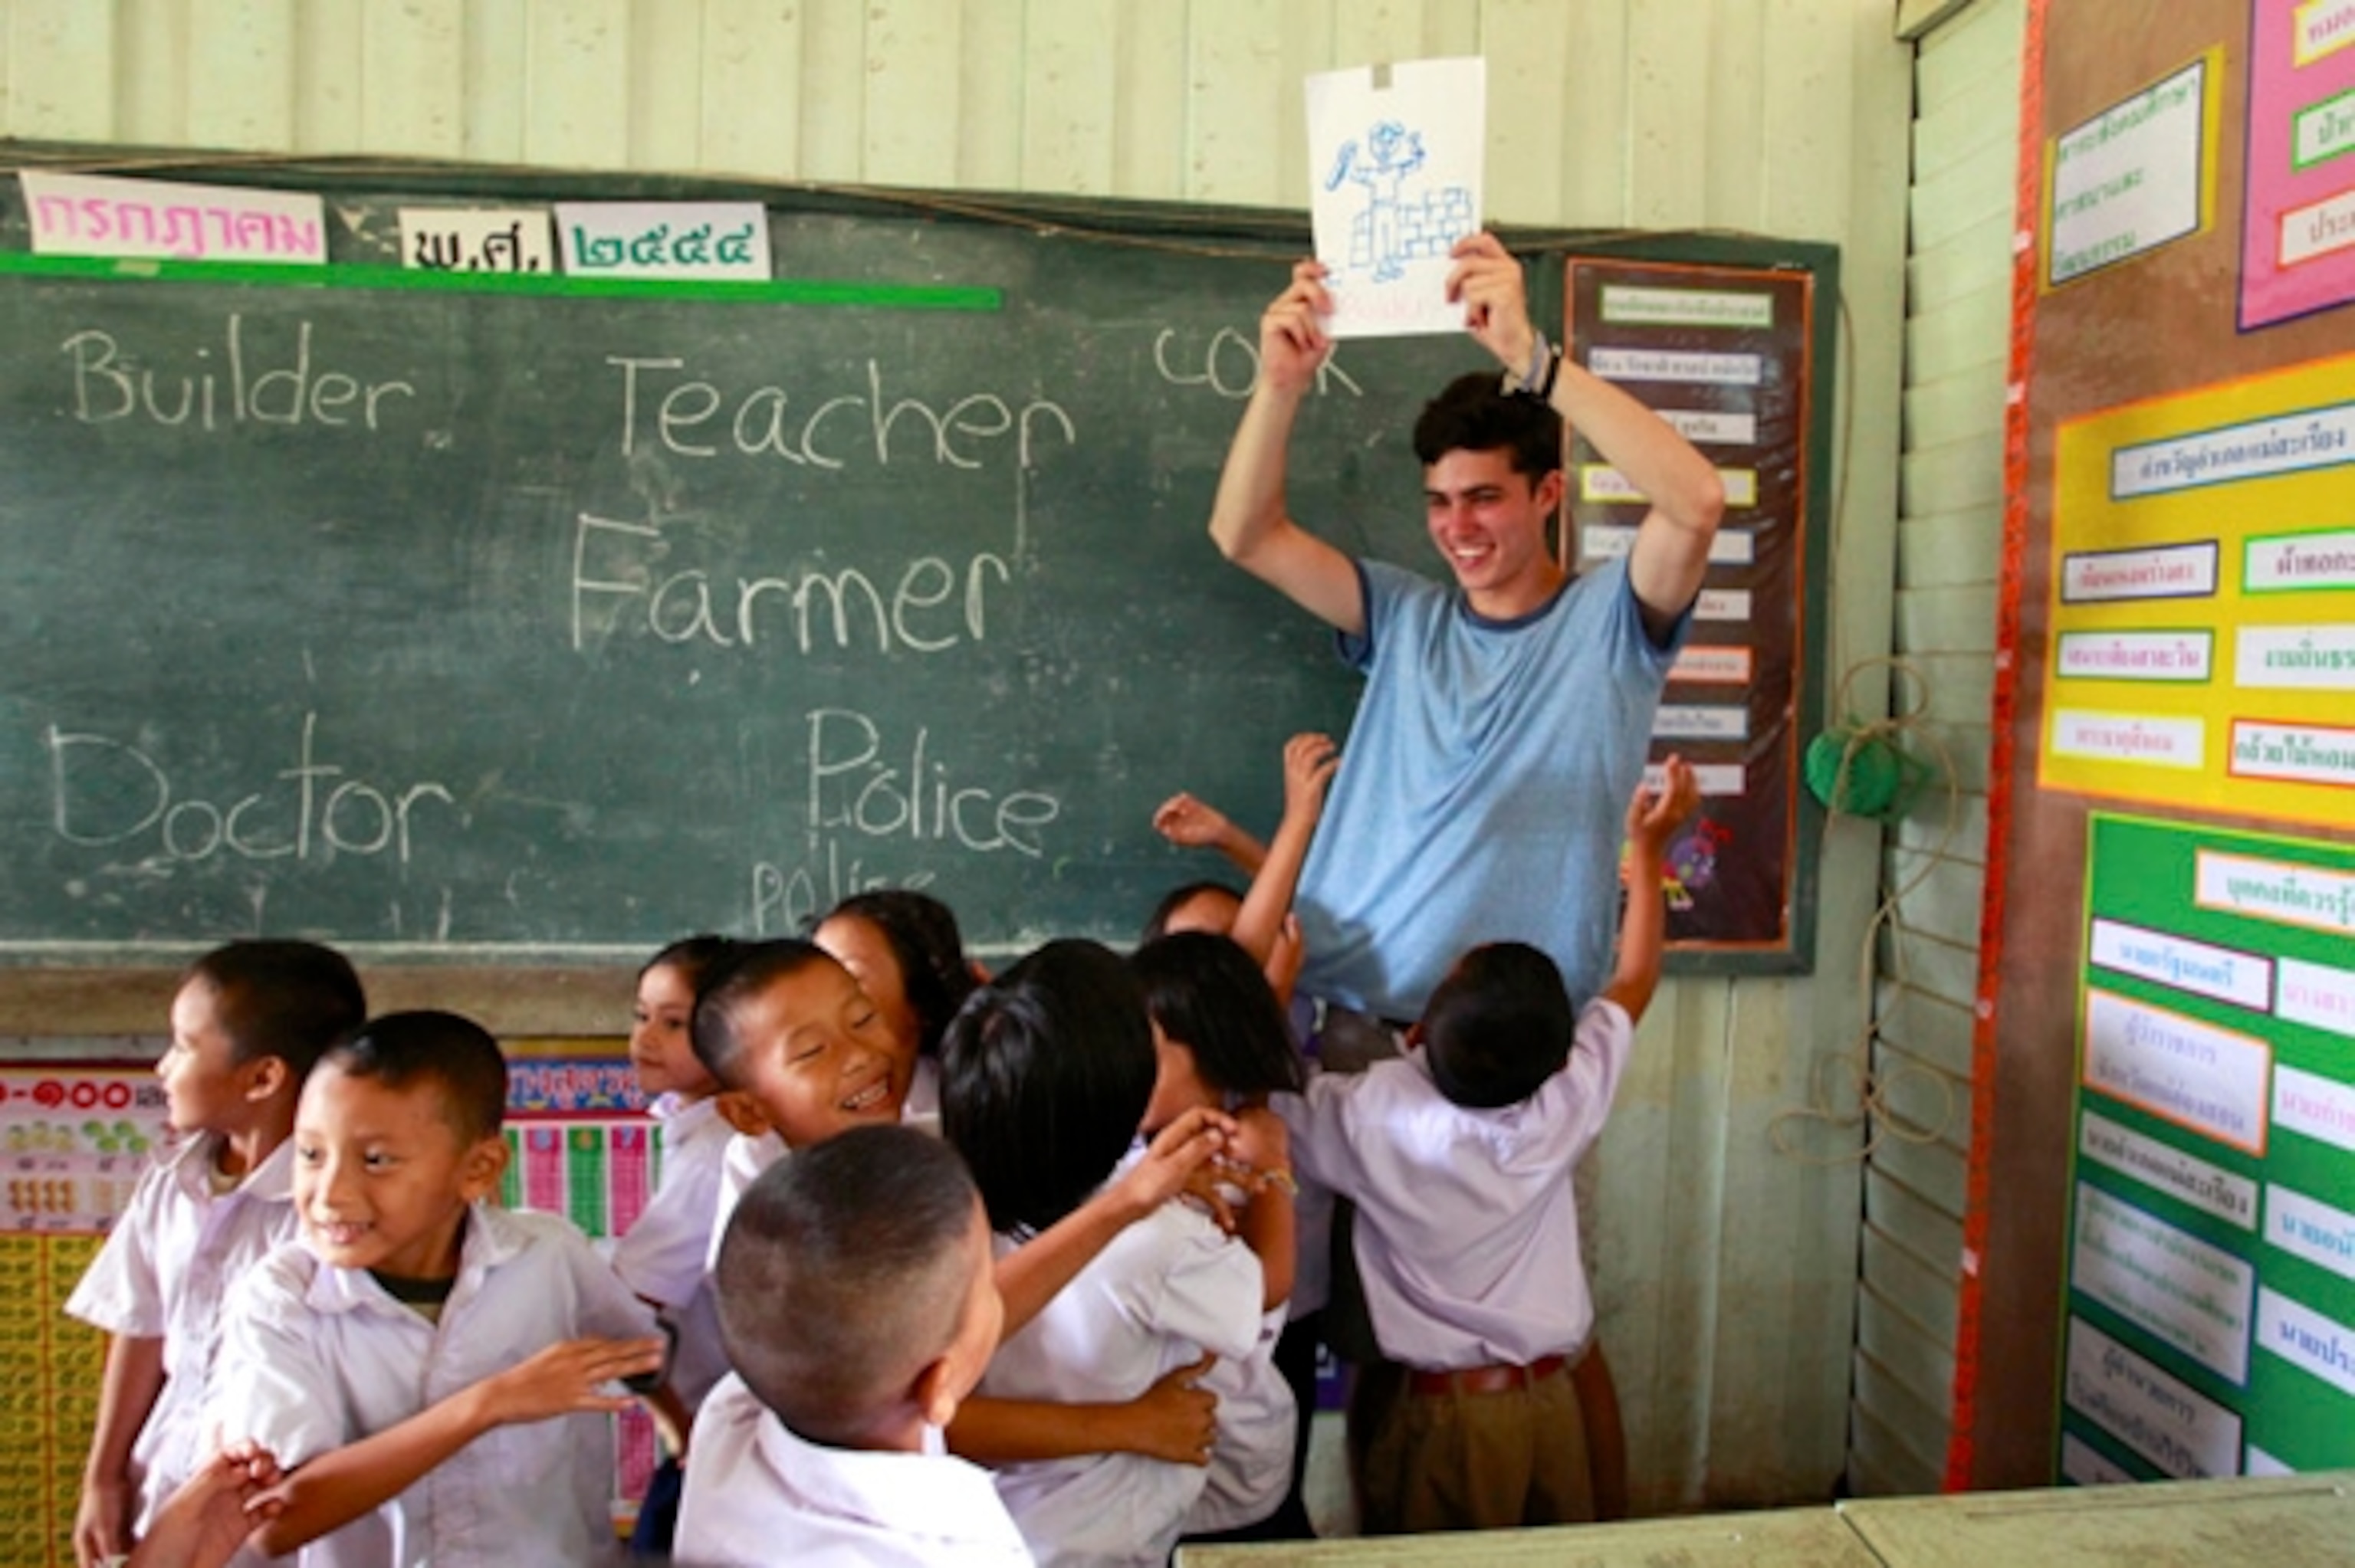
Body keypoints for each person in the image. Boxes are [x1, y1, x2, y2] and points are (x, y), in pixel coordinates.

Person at [1206, 229, 1725, 1027]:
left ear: (1549, 493)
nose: (1458, 528)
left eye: (1484, 497)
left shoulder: (1612, 623)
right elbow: (1244, 534)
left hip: (1503, 1056)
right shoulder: (1404, 613)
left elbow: (1697, 502)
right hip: (1334, 1023)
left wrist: (1534, 360)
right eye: (1439, 502)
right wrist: (1279, 385)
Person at [1275, 758, 1700, 1534]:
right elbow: (1634, 978)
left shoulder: (1372, 1113)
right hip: (1550, 1409)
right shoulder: (1565, 1100)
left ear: (1420, 1029)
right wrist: (1648, 845)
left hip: (1449, 1423)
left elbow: (1267, 1096)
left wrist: (1278, 970)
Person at [205, 1010, 668, 1565]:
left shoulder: (548, 1258)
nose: (330, 1194)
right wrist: (487, 1404)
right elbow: (274, 1522)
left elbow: (647, 1357)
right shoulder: (282, 1301)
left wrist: (684, 1431)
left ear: (478, 1169)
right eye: (310, 1154)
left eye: (376, 1161)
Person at [941, 940, 1266, 1568]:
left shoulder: (941, 1201)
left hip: (993, 1525)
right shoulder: (1161, 1241)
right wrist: (1273, 1171)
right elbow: (1254, 1304)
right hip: (1101, 1537)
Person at [68, 940, 366, 1568]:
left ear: (262, 1077)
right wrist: (105, 1476)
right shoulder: (172, 1181)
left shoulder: (335, 1210)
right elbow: (142, 1327)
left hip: (271, 1510)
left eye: (183, 1045)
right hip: (164, 1489)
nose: (162, 1068)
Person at [673, 1124, 1023, 1566]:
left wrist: (1119, 1208)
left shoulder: (731, 1416)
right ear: (936, 1388)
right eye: (989, 1279)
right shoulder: (961, 1553)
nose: (999, 1290)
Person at [1131, 931, 1309, 1543]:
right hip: (1154, 1463)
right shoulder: (1137, 1151)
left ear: (1209, 1049)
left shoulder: (1241, 1163)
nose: (1122, 1061)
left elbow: (1266, 1286)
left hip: (1234, 1465)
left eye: (1144, 1047)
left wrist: (1273, 1173)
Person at [612, 934, 738, 1556]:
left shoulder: (716, 1153)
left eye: (674, 1024)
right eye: (641, 1016)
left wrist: (673, 1420)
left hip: (713, 1430)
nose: (645, 1038)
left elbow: (624, 1309)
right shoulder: (695, 1129)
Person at [812, 888, 981, 1129]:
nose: (815, 1002)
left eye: (849, 980)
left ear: (920, 1003)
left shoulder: (966, 1117)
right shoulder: (777, 1126)